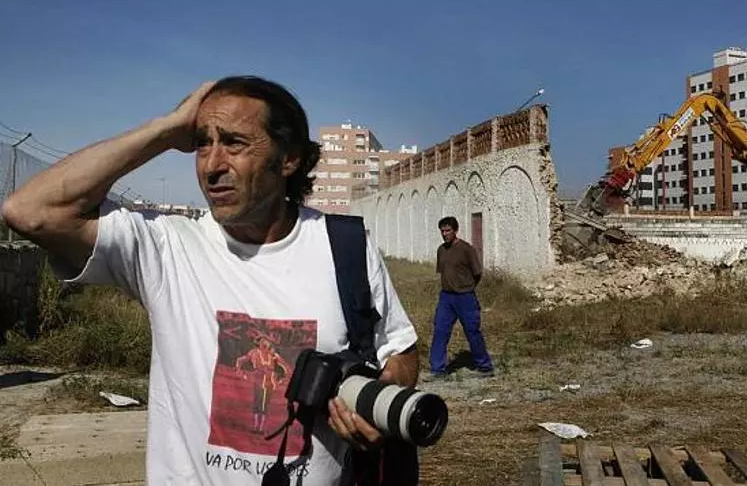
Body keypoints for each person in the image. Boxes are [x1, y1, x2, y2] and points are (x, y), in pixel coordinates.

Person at [2, 76, 420, 485]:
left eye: (234, 143)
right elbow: (30, 212)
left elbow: (399, 350)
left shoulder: (345, 247)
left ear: (288, 159)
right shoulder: (167, 247)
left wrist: (377, 400)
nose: (212, 165)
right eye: (203, 143)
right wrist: (166, 129)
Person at [427, 216, 494, 379]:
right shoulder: (441, 250)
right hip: (446, 298)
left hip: (465, 297)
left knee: (472, 331)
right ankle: (437, 370)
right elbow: (443, 272)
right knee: (440, 331)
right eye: (442, 231)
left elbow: (477, 273)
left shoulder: (466, 249)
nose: (445, 234)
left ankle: (484, 366)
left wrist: (467, 288)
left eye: (448, 230)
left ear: (455, 230)